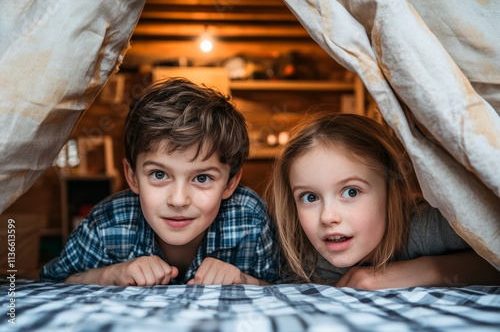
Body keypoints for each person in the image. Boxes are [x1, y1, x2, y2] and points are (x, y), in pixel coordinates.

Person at [40, 77, 279, 286]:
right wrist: (110, 274)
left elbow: (287, 286)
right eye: (159, 174)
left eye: (202, 177)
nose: (178, 200)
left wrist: (244, 280)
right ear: (132, 176)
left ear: (230, 183)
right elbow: (53, 281)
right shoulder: (107, 223)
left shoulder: (250, 220)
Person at [268, 112, 499, 289]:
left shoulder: (427, 226)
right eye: (310, 197)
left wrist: (426, 270)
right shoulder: (307, 262)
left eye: (351, 192)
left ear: (393, 190)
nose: (328, 217)